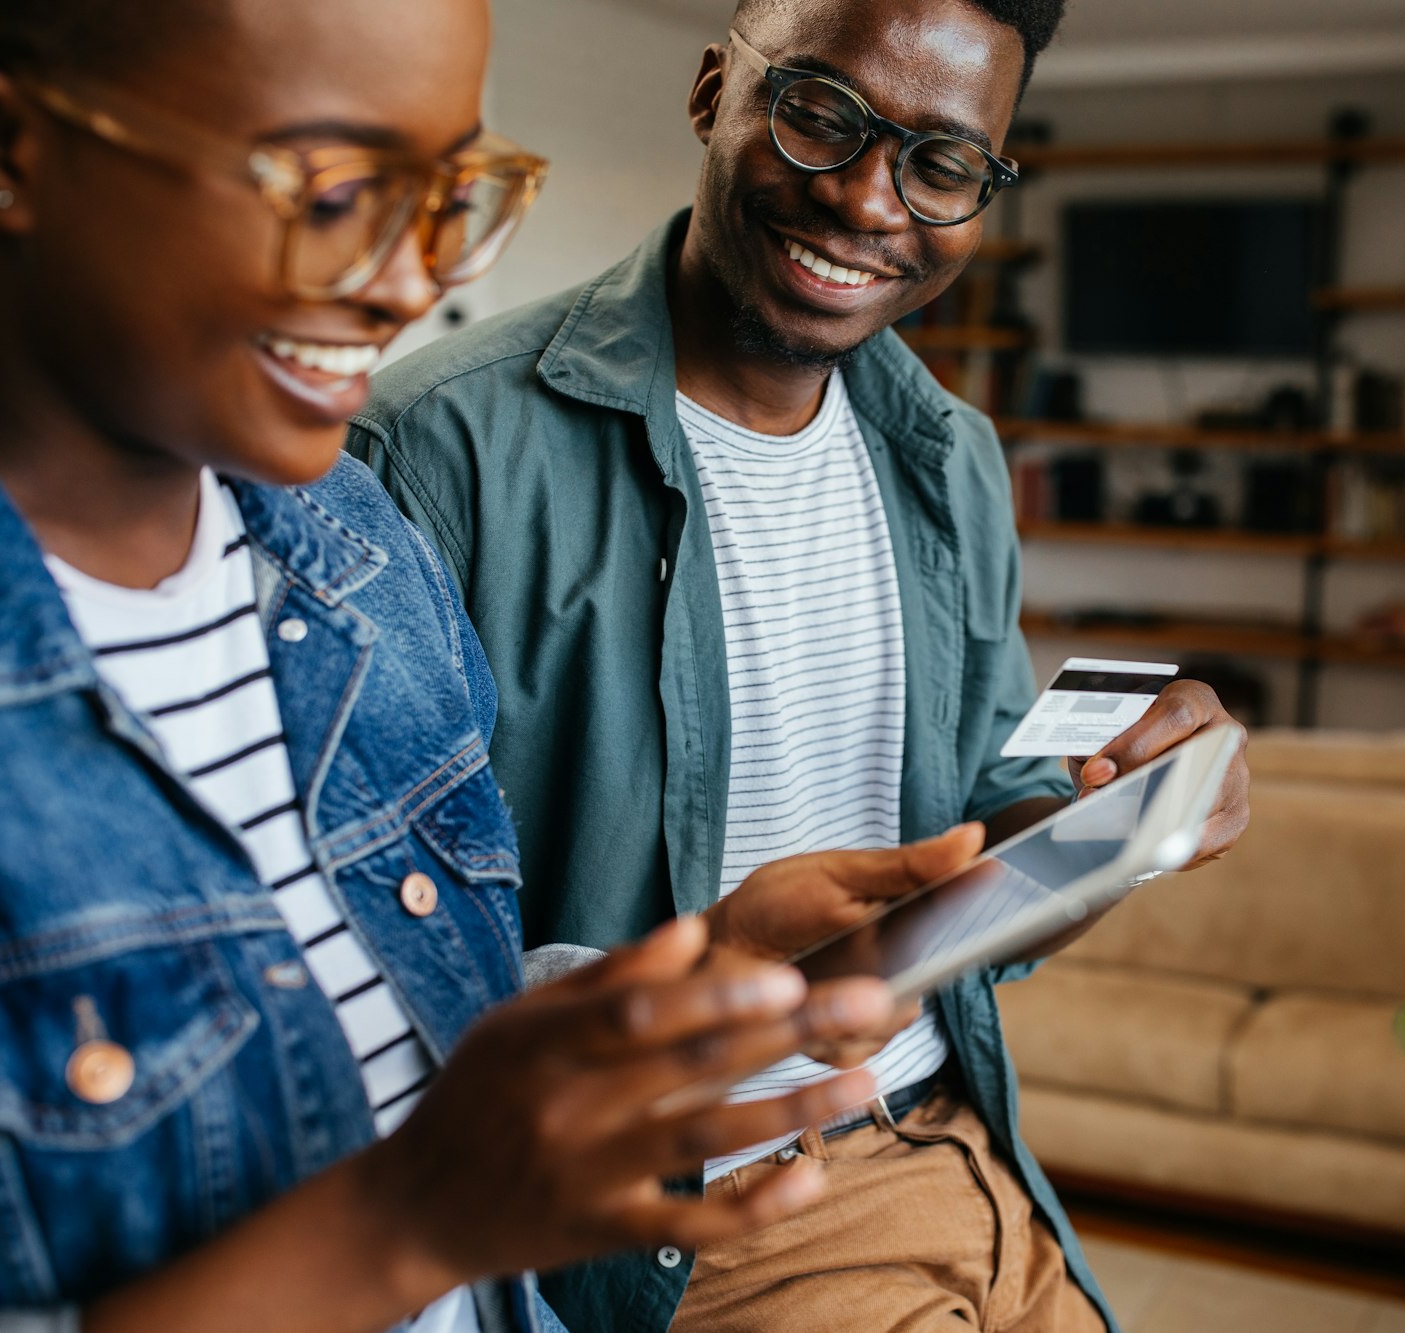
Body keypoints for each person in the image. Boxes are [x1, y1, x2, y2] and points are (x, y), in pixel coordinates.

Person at [0, 2, 987, 1330]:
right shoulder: (429, 453)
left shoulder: (350, 547)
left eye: (448, 191)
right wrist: (406, 1220)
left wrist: (646, 992)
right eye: (334, 187)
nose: (414, 280)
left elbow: (377, 1013)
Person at [352, 0, 1253, 1327]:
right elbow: (359, 975)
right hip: (707, 1224)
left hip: (968, 1154)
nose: (870, 202)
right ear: (718, 92)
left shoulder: (949, 459)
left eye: (941, 163)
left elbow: (980, 866)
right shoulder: (437, 452)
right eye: (822, 115)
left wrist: (1119, 814)